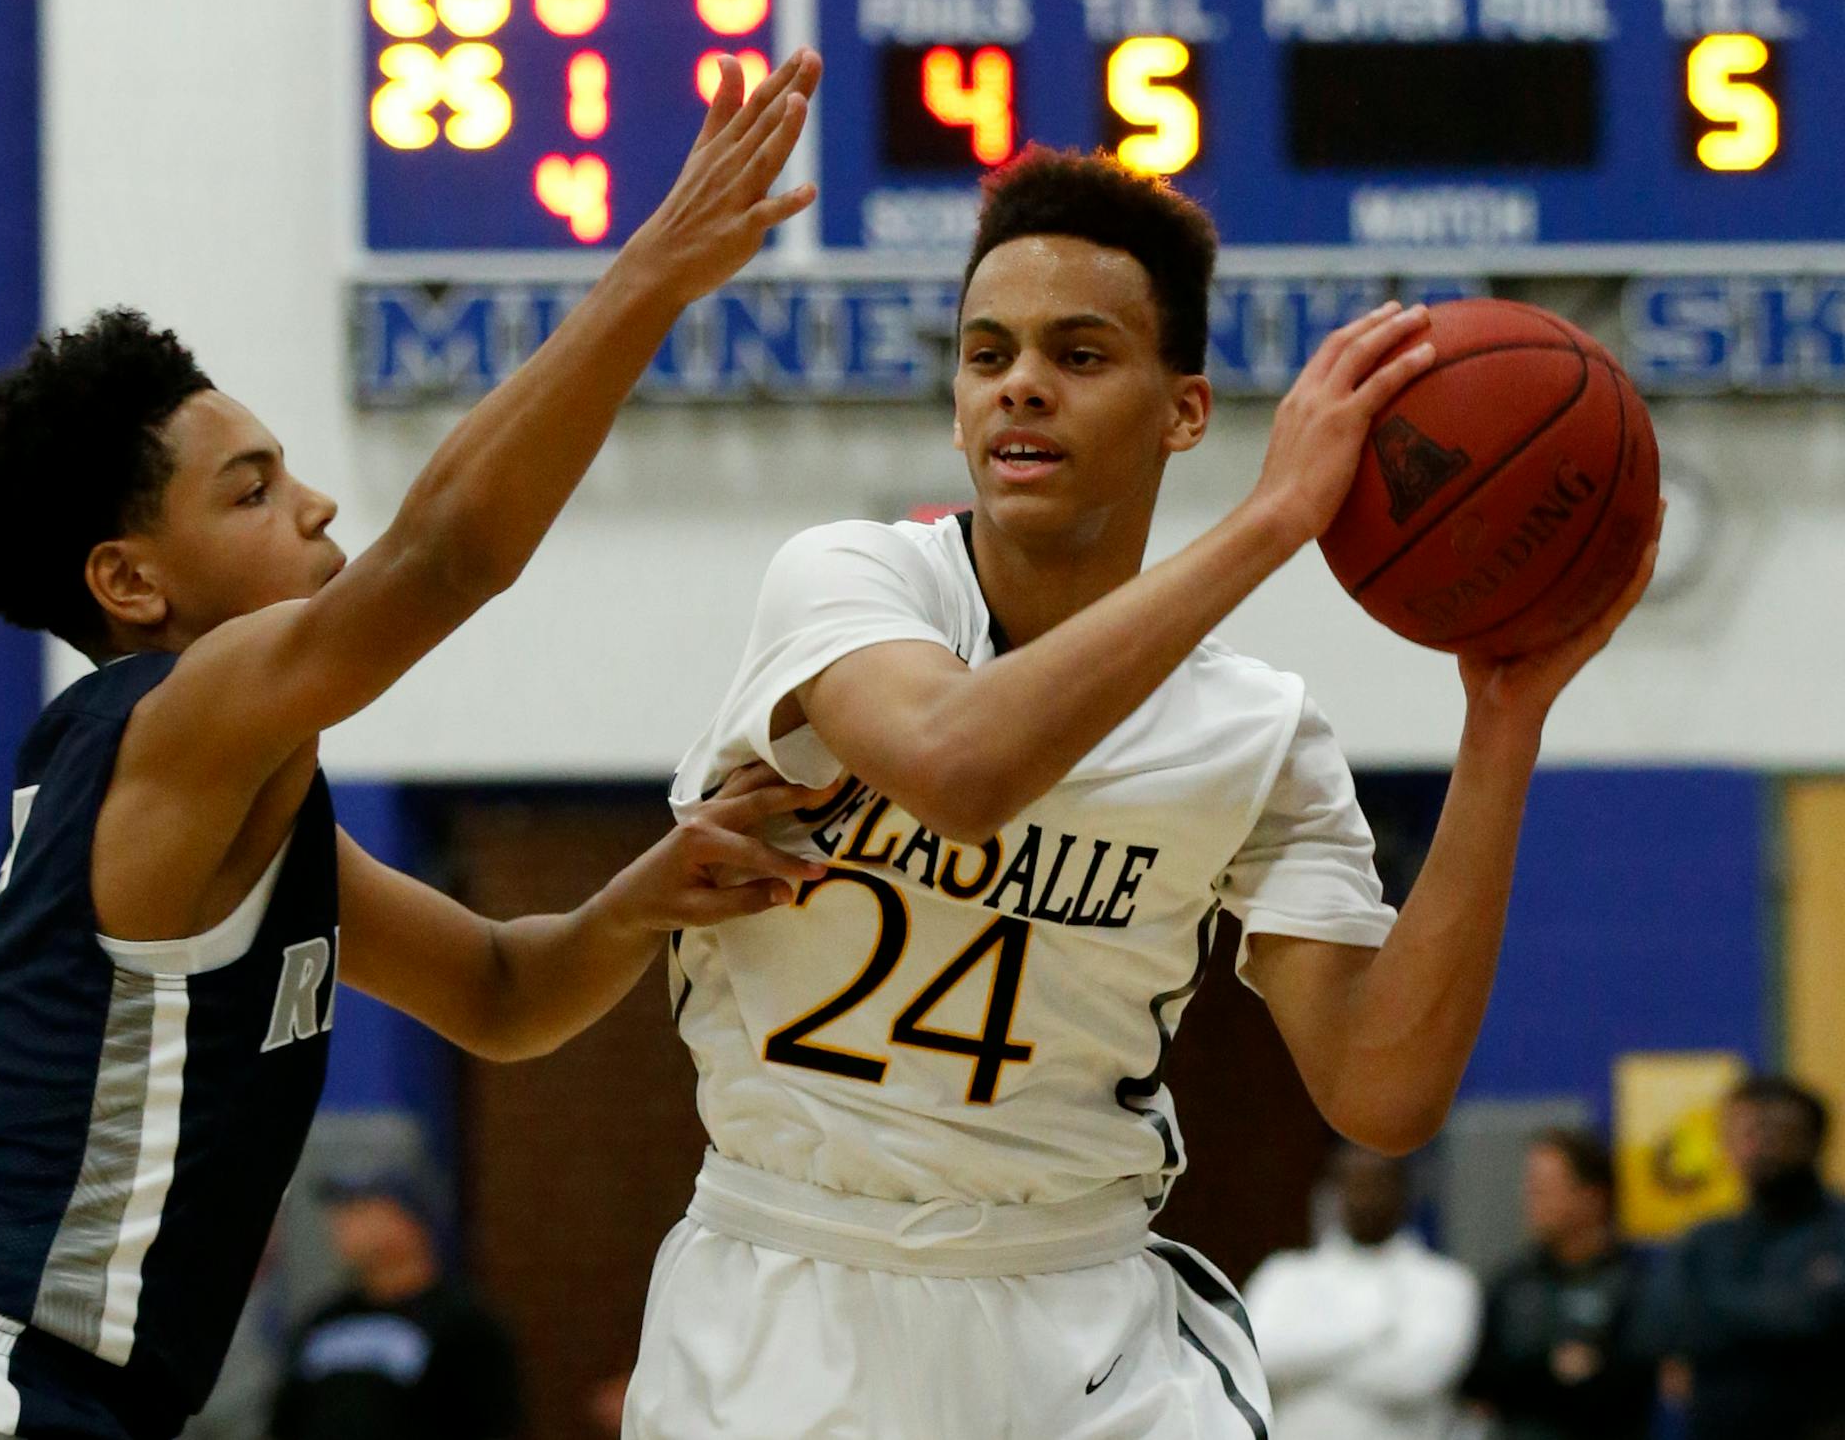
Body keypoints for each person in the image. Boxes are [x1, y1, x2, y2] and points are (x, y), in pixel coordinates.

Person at [0, 50, 832, 1440]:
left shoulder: (238, 806)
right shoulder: (168, 723)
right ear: (131, 584)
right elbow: (447, 555)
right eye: (254, 488)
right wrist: (649, 275)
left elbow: (504, 990)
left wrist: (636, 897)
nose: (317, 499)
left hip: (51, 1394)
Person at [625, 147, 1660, 1439]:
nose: (1021, 388)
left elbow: (1382, 1093)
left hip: (1082, 1315)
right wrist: (1273, 521)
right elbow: (960, 769)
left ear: (1185, 412)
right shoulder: (851, 583)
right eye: (987, 352)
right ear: (954, 403)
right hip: (789, 1289)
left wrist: (1503, 726)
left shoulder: (1254, 731)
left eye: (1080, 354)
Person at [1653, 1075, 1845, 1440]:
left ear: (1813, 1139)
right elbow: (1659, 1330)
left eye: (1774, 1130)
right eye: (1744, 1132)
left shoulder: (1837, 1232)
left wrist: (1714, 1311)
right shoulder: (1704, 1241)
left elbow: (1816, 1319)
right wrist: (1781, 1314)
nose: (1760, 1146)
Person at [1245, 1147, 1481, 1440]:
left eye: (1378, 1183)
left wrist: (1304, 1364)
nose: (1364, 1197)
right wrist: (1372, 1333)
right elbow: (1257, 1356)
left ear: (1404, 1190)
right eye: (1353, 1183)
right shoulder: (1285, 1275)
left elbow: (1416, 1378)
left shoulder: (1444, 1282)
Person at [269, 1169, 522, 1440]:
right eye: (340, 1210)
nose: (342, 1222)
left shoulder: (463, 1325)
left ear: (409, 1220)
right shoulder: (323, 1321)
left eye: (361, 1207)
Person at [1462, 1128, 1655, 1440]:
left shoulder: (1635, 1283)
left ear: (1592, 1197)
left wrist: (1525, 1378)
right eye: (1529, 1188)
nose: (1530, 1200)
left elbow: (1621, 1392)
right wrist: (1554, 1369)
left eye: (1543, 1189)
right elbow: (1478, 1383)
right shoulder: (1512, 1281)